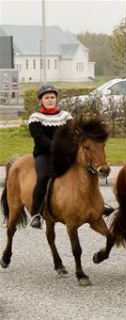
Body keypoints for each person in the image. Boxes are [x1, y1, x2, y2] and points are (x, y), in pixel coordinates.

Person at [27, 84, 73, 229]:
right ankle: (35, 214)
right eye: (46, 98)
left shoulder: (65, 116)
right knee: (42, 177)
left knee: (86, 170)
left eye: (52, 97)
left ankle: (99, 204)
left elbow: (71, 134)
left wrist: (67, 148)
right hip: (44, 154)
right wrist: (57, 147)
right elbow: (39, 138)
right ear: (40, 101)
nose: (50, 100)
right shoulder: (36, 117)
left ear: (56, 99)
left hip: (64, 153)